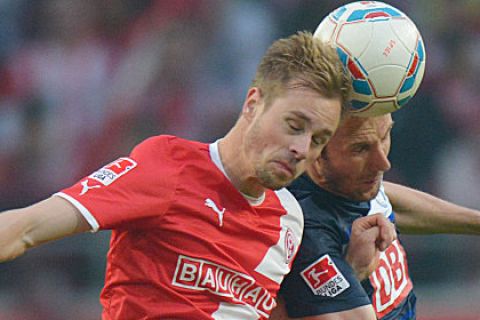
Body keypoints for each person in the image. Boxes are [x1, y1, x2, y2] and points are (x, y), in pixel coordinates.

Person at [0, 31, 397, 320]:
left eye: (319, 139)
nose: (302, 149)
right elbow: (26, 227)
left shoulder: (288, 220)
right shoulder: (168, 167)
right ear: (253, 104)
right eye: (295, 125)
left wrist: (351, 270)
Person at [269, 113, 480, 320]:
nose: (383, 163)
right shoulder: (305, 232)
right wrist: (354, 273)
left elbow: (388, 200)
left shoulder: (352, 182)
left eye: (385, 135)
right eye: (360, 148)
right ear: (316, 156)